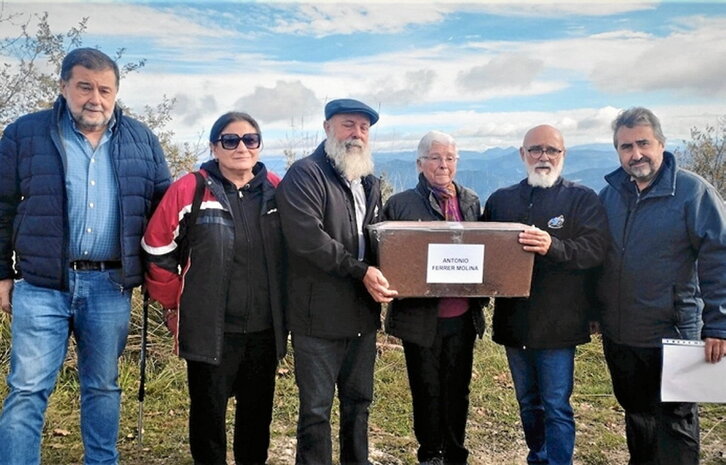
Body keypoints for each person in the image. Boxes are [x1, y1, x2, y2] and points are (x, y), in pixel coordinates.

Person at [0, 47, 171, 464]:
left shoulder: (141, 139)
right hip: (41, 284)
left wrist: (165, 276)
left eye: (105, 90)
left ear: (115, 93)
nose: (95, 98)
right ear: (63, 87)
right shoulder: (25, 133)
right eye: (84, 87)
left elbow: (163, 210)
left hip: (110, 286)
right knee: (27, 388)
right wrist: (1, 273)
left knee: (103, 386)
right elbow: (1, 205)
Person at [142, 111, 287, 465]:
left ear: (259, 145)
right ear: (214, 146)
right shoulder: (190, 189)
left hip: (264, 329)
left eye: (250, 139)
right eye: (230, 140)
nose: (241, 147)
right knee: (208, 418)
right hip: (210, 328)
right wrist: (176, 302)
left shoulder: (275, 188)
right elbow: (157, 247)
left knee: (256, 418)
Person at [597, 107, 726, 465]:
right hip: (622, 333)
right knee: (637, 416)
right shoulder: (610, 196)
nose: (635, 154)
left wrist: (718, 325)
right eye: (626, 147)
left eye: (643, 143)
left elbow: (720, 257)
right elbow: (599, 261)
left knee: (675, 423)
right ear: (617, 151)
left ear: (662, 144)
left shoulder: (692, 192)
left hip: (675, 331)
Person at [276, 98, 397, 465]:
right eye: (348, 125)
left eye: (363, 128)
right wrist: (362, 271)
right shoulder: (306, 174)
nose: (356, 134)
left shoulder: (369, 182)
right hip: (317, 316)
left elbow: (373, 241)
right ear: (328, 127)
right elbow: (307, 240)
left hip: (361, 314)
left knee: (359, 403)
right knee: (315, 410)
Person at [481, 125, 609, 465]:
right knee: (527, 403)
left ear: (563, 155)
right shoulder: (501, 200)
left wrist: (554, 246)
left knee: (556, 405)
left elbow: (595, 251)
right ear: (522, 155)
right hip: (514, 322)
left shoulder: (582, 199)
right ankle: (538, 456)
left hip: (560, 324)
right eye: (536, 150)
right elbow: (482, 255)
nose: (544, 157)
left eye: (552, 150)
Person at [380, 131, 486, 465]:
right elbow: (388, 259)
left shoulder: (470, 200)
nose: (443, 165)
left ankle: (456, 452)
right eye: (435, 157)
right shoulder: (400, 204)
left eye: (450, 158)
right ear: (420, 163)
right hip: (421, 317)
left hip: (463, 316)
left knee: (459, 389)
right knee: (426, 388)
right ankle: (430, 453)